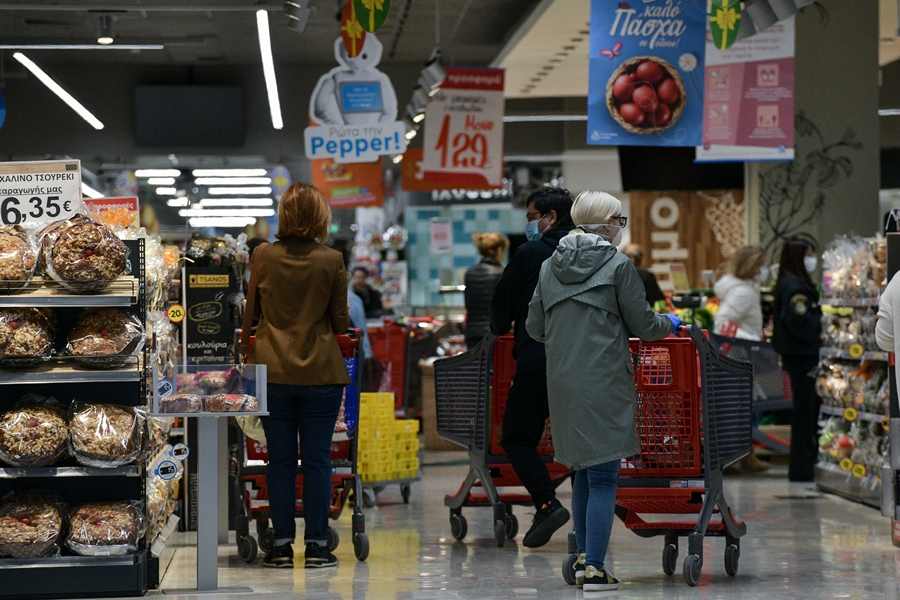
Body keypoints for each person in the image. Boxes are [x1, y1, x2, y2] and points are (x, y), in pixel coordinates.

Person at [526, 190, 678, 591]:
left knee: (580, 472)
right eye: (617, 219)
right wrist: (672, 324)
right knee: (605, 476)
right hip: (605, 377)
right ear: (604, 224)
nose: (619, 227)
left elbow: (533, 327)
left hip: (561, 380)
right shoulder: (617, 264)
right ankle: (595, 568)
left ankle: (581, 562)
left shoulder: (548, 266)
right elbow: (645, 325)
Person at [242, 182, 351, 569]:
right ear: (320, 216)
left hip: (272, 371)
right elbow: (341, 320)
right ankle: (319, 545)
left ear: (284, 214)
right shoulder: (332, 260)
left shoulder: (263, 256)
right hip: (321, 372)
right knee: (319, 460)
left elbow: (251, 316)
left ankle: (282, 546)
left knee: (281, 461)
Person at [489, 186, 575, 548]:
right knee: (584, 442)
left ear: (550, 217)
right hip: (584, 362)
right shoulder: (593, 253)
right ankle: (601, 509)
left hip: (537, 359)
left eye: (531, 217)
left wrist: (502, 325)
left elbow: (500, 310)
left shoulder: (531, 253)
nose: (529, 224)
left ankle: (546, 502)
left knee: (516, 437)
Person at [713, 246, 771, 474]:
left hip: (738, 356)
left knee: (740, 408)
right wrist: (752, 342)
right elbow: (723, 322)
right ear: (750, 266)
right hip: (742, 356)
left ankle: (742, 456)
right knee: (747, 408)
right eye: (760, 265)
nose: (763, 270)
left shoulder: (741, 288)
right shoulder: (743, 292)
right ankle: (741, 456)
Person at [772, 236, 822, 482]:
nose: (813, 259)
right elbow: (800, 323)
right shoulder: (794, 288)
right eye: (809, 254)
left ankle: (805, 466)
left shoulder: (789, 283)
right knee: (805, 415)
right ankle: (803, 469)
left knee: (806, 414)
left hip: (798, 357)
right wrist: (823, 324)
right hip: (803, 358)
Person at [464, 232, 508, 349]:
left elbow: (468, 305)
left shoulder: (470, 273)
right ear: (499, 250)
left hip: (472, 334)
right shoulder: (502, 273)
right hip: (495, 335)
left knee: (477, 367)